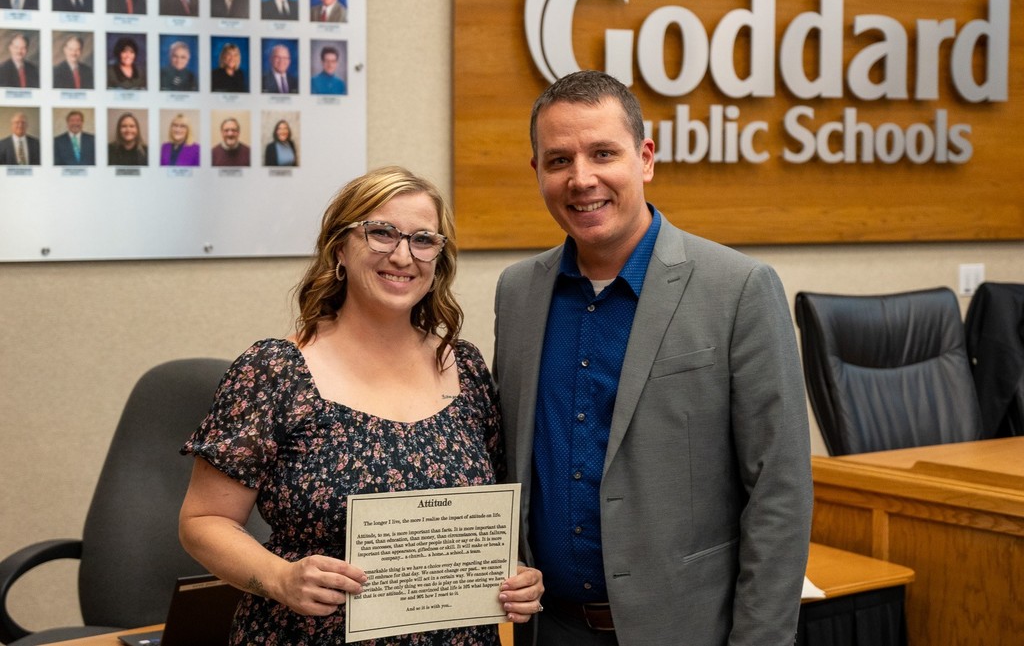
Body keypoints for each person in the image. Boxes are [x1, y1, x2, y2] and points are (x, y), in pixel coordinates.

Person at [493, 70, 813, 646]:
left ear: (645, 158)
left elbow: (780, 490)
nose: (581, 179)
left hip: (689, 631)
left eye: (603, 153)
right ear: (537, 171)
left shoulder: (738, 288)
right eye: (559, 159)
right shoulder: (517, 293)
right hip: (552, 629)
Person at [179, 165, 544, 645]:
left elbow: (485, 521)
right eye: (381, 233)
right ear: (339, 249)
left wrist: (516, 577)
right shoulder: (275, 370)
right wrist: (280, 579)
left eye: (423, 240)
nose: (402, 255)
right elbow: (203, 523)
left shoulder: (467, 369)